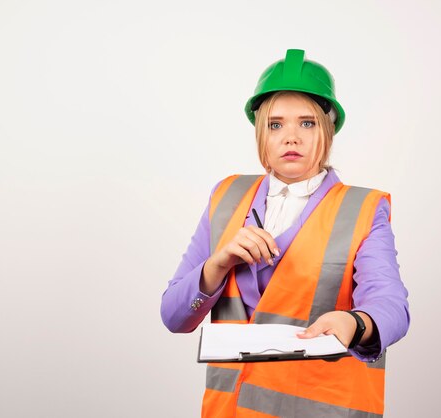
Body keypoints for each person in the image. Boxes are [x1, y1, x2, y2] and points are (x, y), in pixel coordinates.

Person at [160, 49, 409, 418]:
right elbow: (174, 317)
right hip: (228, 411)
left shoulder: (364, 208)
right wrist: (217, 264)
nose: (290, 137)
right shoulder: (226, 196)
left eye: (306, 123)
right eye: (276, 125)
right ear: (260, 132)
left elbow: (392, 307)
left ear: (328, 129)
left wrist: (355, 323)